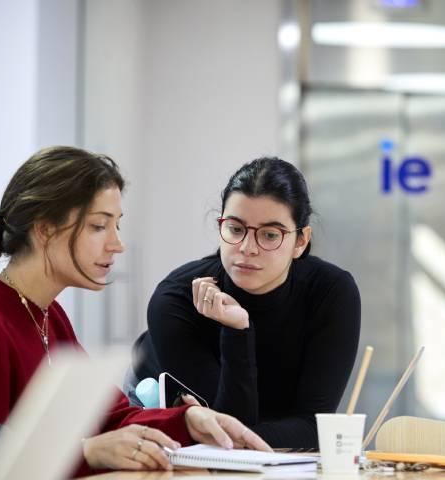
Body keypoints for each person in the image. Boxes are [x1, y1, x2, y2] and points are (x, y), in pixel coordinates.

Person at [0, 146, 270, 476]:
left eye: (116, 225)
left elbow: (108, 416)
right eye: (99, 226)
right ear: (45, 229)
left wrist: (187, 419)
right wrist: (86, 452)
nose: (117, 244)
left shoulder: (47, 315)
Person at [131, 156, 361, 448]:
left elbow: (314, 426)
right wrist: (237, 329)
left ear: (300, 241)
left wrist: (232, 433)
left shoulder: (331, 292)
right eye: (236, 229)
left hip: (259, 446)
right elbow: (225, 433)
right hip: (160, 424)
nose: (247, 248)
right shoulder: (176, 298)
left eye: (269, 235)